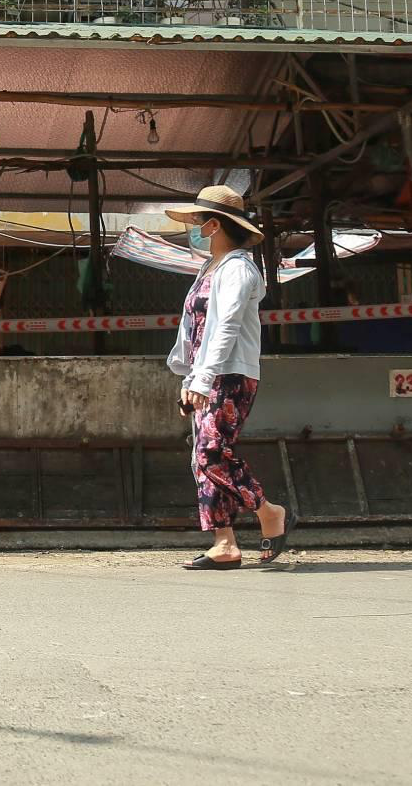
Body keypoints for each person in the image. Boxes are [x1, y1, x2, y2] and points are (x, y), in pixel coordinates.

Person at [165, 185, 296, 569]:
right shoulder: (212, 267)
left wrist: (202, 381)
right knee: (202, 457)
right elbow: (198, 330)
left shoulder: (238, 268)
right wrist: (191, 378)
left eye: (196, 221)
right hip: (207, 374)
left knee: (210, 454)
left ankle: (268, 511)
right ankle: (224, 543)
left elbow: (225, 327)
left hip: (231, 374)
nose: (192, 227)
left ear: (212, 225)